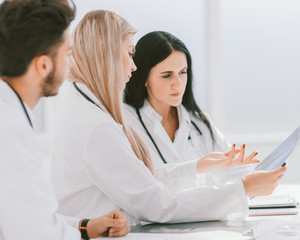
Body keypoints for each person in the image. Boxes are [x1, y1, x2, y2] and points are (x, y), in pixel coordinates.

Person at [51, 9, 286, 227]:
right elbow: (156, 205)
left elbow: (144, 181)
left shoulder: (83, 106)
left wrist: (198, 166)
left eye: (183, 73)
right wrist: (241, 190)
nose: (133, 67)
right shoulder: (97, 124)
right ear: (105, 51)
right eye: (129, 53)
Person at [0, 1, 129, 239]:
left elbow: (29, 216)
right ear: (43, 64)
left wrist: (84, 227)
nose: (71, 63)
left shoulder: (10, 113)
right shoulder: (9, 130)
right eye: (67, 54)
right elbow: (34, 234)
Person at [123, 31, 264, 187]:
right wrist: (197, 167)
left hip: (203, 210)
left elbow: (234, 171)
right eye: (167, 75)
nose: (178, 84)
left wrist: (259, 177)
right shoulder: (126, 120)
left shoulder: (199, 121)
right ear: (144, 78)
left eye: (183, 72)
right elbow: (140, 182)